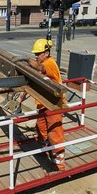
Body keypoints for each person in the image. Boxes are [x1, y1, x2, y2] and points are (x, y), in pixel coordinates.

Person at [28, 38, 65, 171]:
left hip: (54, 105)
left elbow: (41, 68)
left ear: (46, 53)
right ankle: (45, 150)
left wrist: (28, 62)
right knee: (41, 129)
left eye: (38, 54)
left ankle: (59, 164)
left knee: (55, 133)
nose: (36, 56)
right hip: (43, 104)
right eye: (35, 54)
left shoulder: (49, 63)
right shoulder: (44, 62)